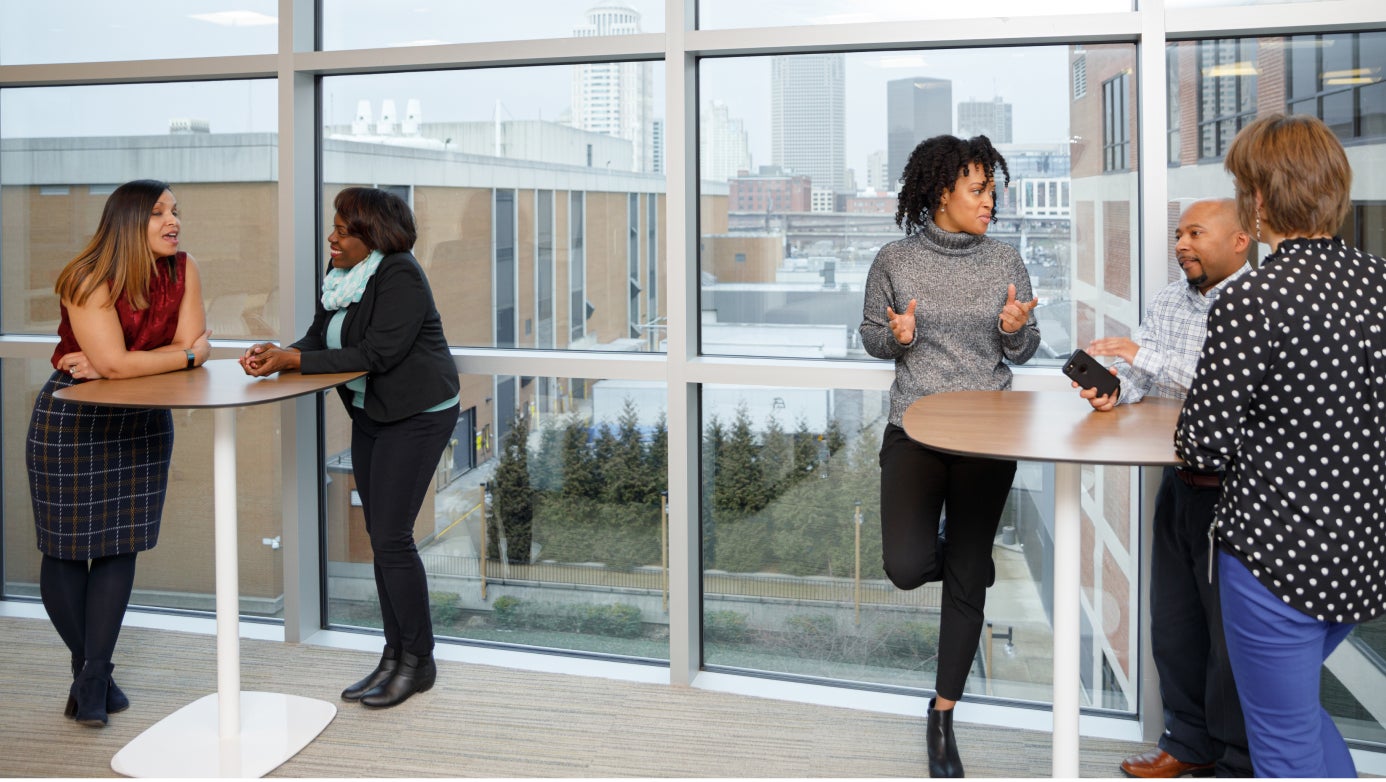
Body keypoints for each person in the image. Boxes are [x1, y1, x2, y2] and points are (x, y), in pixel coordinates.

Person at [1175, 113, 1386, 778]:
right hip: (1361, 555)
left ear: (1260, 201)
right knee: (1294, 719)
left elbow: (1202, 445)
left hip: (1276, 559)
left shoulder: (1251, 299)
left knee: (1284, 743)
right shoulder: (1380, 284)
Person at [859, 134, 1040, 778]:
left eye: (993, 190)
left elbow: (1025, 347)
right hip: (914, 428)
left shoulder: (1006, 259)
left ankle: (942, 715)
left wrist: (1015, 331)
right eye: (978, 190)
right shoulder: (894, 259)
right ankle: (967, 567)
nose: (990, 201)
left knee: (965, 573)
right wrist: (896, 335)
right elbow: (873, 337)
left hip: (988, 437)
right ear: (942, 193)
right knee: (907, 565)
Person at [241, 186, 459, 709]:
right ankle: (393, 655)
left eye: (343, 229)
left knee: (391, 538)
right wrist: (281, 353)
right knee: (381, 535)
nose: (332, 237)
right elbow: (322, 336)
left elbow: (378, 352)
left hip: (419, 414)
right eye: (334, 226)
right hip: (373, 413)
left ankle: (419, 662)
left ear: (373, 235)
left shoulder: (400, 273)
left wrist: (293, 364)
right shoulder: (342, 278)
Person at [1072, 199, 1253, 778]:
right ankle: (1186, 742)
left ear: (1241, 240)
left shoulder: (1259, 304)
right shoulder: (1172, 298)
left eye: (1195, 233)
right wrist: (1115, 389)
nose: (1181, 244)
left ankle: (1236, 761)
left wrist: (1137, 352)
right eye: (1178, 234)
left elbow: (1222, 384)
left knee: (1230, 639)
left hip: (1239, 492)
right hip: (1180, 481)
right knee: (1174, 623)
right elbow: (1145, 376)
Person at [26, 179, 211, 727]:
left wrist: (152, 358)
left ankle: (91, 676)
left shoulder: (185, 269)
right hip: (74, 419)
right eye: (158, 213)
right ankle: (95, 676)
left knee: (118, 546)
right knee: (64, 549)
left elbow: (175, 351)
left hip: (142, 419)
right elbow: (131, 363)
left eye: (176, 211)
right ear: (128, 221)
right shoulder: (88, 277)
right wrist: (180, 355)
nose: (173, 221)